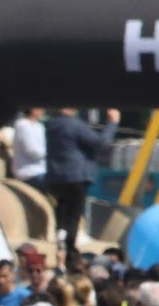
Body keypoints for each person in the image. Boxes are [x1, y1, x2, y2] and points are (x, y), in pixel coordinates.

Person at [44, 108, 120, 254]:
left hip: (56, 178)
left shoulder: (51, 125)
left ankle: (61, 242)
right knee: (73, 218)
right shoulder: (73, 125)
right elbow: (101, 143)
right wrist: (112, 124)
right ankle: (69, 251)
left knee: (62, 213)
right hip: (76, 177)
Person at [11, 107, 47, 185]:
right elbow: (32, 151)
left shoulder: (39, 126)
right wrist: (51, 153)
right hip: (28, 172)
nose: (43, 110)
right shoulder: (23, 125)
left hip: (42, 169)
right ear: (33, 110)